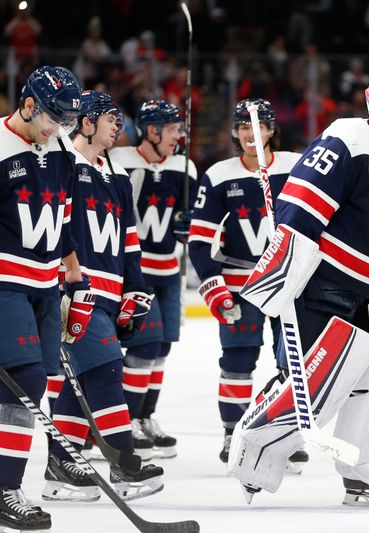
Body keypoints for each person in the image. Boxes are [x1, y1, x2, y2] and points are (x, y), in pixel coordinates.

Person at [231, 69, 369, 507]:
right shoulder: (347, 138)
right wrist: (283, 277)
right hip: (329, 286)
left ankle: (362, 467)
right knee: (313, 386)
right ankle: (254, 453)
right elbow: (299, 208)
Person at [46, 89, 164, 502]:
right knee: (106, 369)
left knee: (79, 378)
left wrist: (136, 287)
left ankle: (61, 465)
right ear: (87, 122)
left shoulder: (115, 176)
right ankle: (124, 464)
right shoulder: (62, 164)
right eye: (111, 119)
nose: (119, 126)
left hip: (111, 291)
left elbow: (129, 240)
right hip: (75, 289)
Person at [187, 98, 306, 469]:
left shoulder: (296, 166)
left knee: (295, 365)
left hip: (288, 283)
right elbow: (199, 240)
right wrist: (214, 286)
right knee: (238, 361)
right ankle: (232, 430)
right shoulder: (220, 175)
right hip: (242, 285)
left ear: (271, 130)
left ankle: (284, 433)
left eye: (257, 127)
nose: (250, 134)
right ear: (235, 133)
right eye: (242, 128)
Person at [0, 66, 91, 532]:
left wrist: (73, 271)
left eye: (67, 122)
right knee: (27, 380)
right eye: (53, 118)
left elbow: (65, 214)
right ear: (28, 104)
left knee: (40, 381)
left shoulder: (60, 149)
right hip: (6, 282)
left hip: (46, 284)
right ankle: (6, 489)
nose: (60, 129)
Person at [109, 100, 197, 460]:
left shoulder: (184, 166)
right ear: (152, 131)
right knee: (146, 345)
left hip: (169, 271)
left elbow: (187, 219)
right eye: (173, 129)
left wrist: (187, 225)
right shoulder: (120, 161)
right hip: (135, 273)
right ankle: (126, 419)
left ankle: (145, 416)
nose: (180, 136)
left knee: (161, 349)